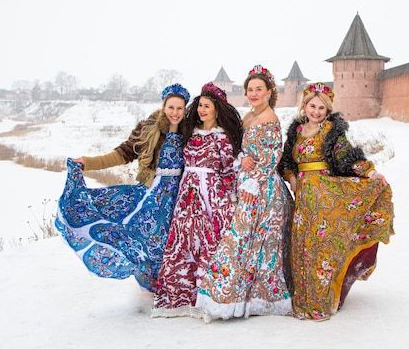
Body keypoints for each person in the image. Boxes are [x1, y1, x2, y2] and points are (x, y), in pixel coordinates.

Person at [55, 83, 190, 294]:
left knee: (169, 240)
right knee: (143, 236)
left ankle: (172, 282)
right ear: (164, 107)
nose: (175, 113)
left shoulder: (189, 132)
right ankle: (155, 285)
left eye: (179, 108)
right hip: (150, 192)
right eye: (171, 107)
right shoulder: (148, 128)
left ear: (185, 109)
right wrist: (88, 163)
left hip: (178, 196)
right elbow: (122, 154)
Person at [278, 82, 395, 320]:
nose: (316, 111)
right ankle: (301, 302)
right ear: (305, 105)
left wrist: (370, 173)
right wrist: (291, 178)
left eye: (322, 108)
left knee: (319, 248)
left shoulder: (332, 132)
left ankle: (319, 303)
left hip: (325, 194)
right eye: (313, 106)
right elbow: (287, 163)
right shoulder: (296, 132)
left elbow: (347, 157)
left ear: (327, 110)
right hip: (303, 198)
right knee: (301, 247)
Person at [196, 65, 294, 322]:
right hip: (249, 184)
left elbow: (272, 157)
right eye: (250, 89)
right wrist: (241, 159)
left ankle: (251, 299)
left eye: (258, 89)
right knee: (244, 243)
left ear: (269, 91)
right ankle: (235, 298)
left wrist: (253, 183)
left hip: (263, 191)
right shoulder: (249, 116)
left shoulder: (270, 118)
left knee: (246, 243)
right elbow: (243, 148)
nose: (253, 93)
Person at [151, 82, 243, 318]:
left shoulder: (222, 137)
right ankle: (179, 295)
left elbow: (228, 170)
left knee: (208, 243)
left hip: (211, 195)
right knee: (183, 241)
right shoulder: (190, 132)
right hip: (187, 195)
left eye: (207, 106)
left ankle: (208, 297)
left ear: (216, 109)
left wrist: (230, 197)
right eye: (200, 105)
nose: (202, 110)